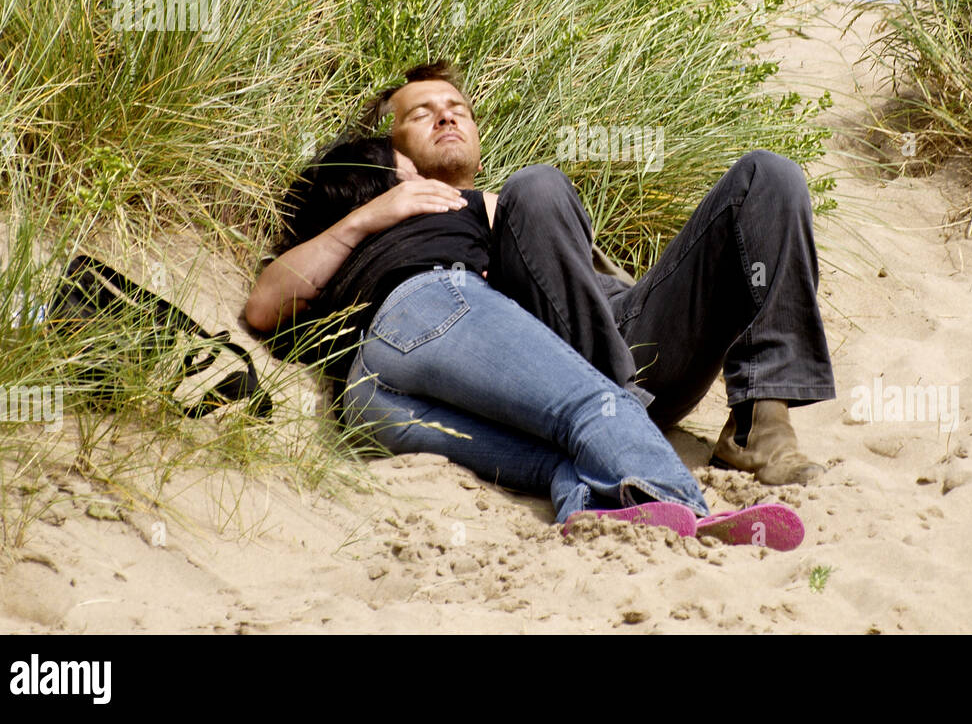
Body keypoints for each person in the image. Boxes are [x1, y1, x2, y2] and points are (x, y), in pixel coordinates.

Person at [245, 130, 804, 547]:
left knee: (557, 456)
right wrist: (380, 209)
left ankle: (593, 508)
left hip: (369, 399)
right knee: (591, 405)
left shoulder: (333, 263)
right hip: (431, 310)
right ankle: (684, 506)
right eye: (410, 168)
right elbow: (263, 304)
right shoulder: (436, 211)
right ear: (396, 183)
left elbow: (269, 305)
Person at [353, 61, 836, 486]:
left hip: (635, 332)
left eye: (458, 108)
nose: (446, 116)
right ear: (390, 152)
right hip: (565, 365)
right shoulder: (392, 225)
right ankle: (615, 426)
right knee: (538, 184)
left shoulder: (518, 204)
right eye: (421, 114)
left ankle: (760, 427)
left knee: (769, 174)